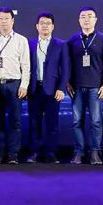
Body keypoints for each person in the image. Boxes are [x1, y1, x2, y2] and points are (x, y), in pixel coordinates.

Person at [67, 8, 103, 165]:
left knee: (96, 122)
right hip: (76, 87)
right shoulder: (73, 39)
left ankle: (95, 152)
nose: (86, 19)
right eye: (83, 17)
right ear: (79, 20)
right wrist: (67, 82)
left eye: (89, 16)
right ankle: (79, 152)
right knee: (76, 122)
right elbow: (67, 63)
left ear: (95, 19)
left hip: (96, 87)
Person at [0, 7, 29, 164]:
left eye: (7, 18)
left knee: (15, 121)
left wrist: (24, 85)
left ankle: (13, 154)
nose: (4, 21)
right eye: (1, 19)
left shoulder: (21, 40)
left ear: (12, 21)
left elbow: (26, 65)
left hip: (14, 84)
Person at [26, 12, 70, 164]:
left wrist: (61, 88)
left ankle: (52, 153)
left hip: (53, 90)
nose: (45, 26)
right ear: (37, 26)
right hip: (34, 89)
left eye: (48, 23)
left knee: (52, 124)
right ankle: (34, 152)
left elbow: (66, 69)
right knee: (34, 123)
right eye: (42, 23)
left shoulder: (61, 44)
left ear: (53, 26)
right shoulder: (30, 44)